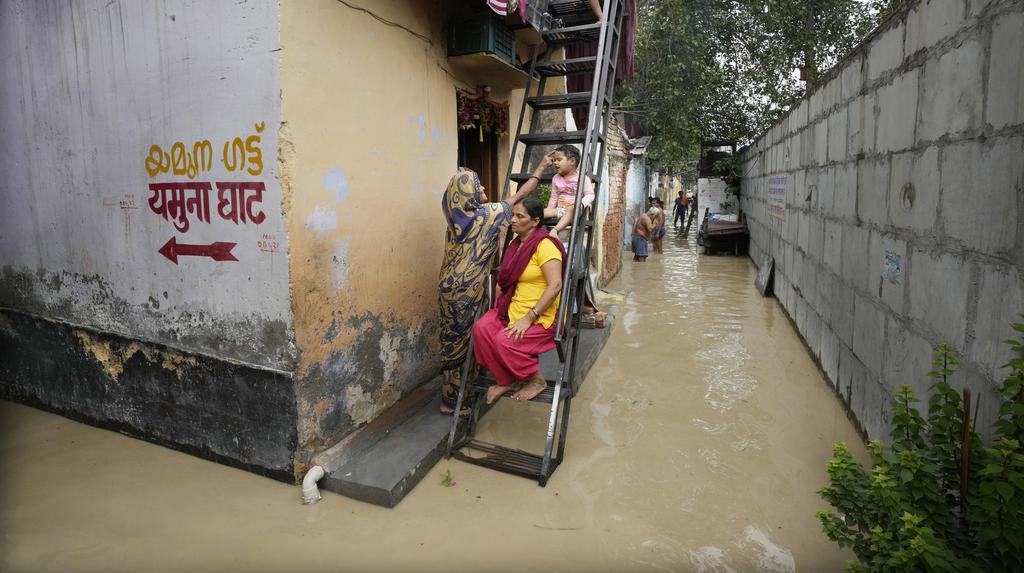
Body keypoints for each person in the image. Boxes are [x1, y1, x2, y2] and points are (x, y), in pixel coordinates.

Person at [437, 158, 551, 415]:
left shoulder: (455, 222)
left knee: (450, 341)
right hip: (468, 290)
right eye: (480, 190)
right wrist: (541, 169)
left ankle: (449, 398)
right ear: (468, 194)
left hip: (446, 288)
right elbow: (522, 193)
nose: (485, 193)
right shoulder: (487, 216)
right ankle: (460, 401)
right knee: (467, 343)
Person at [472, 197, 565, 404]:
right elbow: (505, 280)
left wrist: (529, 317)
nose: (512, 220)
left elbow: (555, 285)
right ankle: (507, 380)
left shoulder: (546, 246)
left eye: (519, 216)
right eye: (513, 215)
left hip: (540, 315)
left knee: (503, 341)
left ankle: (536, 380)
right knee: (482, 329)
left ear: (535, 221)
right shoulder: (516, 245)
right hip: (512, 308)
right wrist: (498, 308)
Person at [544, 145, 594, 245]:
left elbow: (590, 195)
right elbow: (554, 198)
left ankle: (555, 231)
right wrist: (549, 211)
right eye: (554, 160)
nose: (555, 163)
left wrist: (580, 204)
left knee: (572, 208)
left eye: (559, 159)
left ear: (572, 161)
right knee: (541, 212)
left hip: (577, 211)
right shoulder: (556, 178)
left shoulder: (582, 178)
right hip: (561, 210)